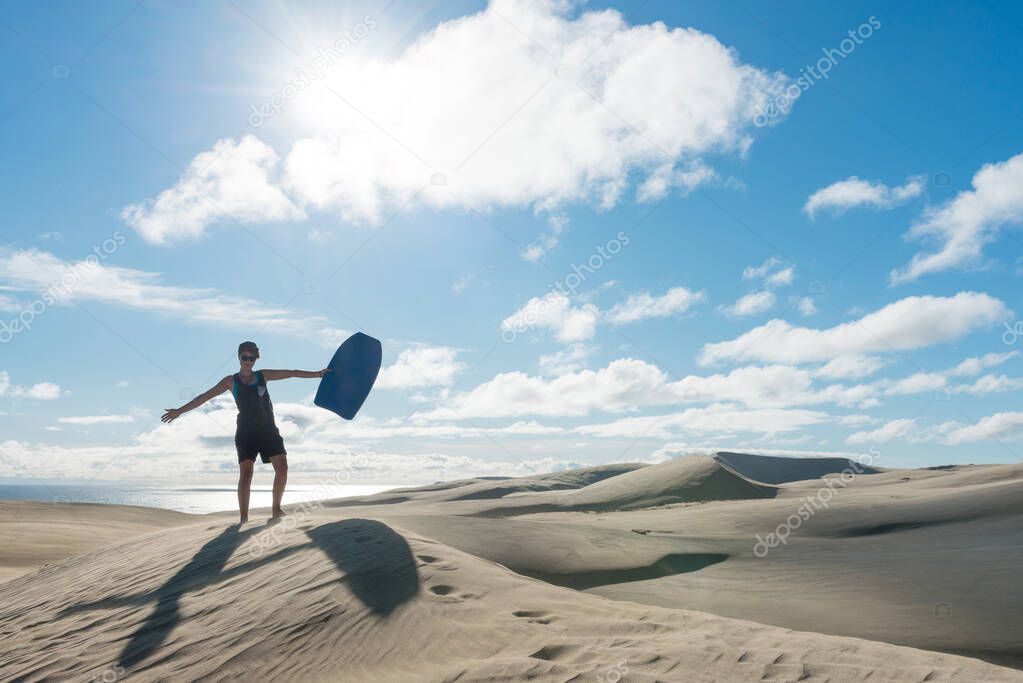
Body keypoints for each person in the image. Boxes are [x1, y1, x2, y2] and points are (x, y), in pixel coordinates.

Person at [161, 341, 329, 523]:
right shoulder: (230, 381)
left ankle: (276, 510)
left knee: (282, 469)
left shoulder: (263, 375)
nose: (248, 361)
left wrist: (318, 374)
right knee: (246, 474)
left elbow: (292, 373)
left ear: (256, 359)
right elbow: (204, 397)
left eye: (252, 358)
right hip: (245, 433)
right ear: (239, 357)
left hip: (268, 431)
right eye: (244, 358)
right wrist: (179, 411)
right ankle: (244, 518)